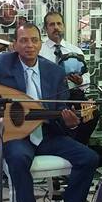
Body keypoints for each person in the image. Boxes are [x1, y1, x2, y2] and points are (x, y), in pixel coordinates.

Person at [0, 23, 98, 202]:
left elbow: (59, 116)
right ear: (14, 45)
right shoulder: (4, 65)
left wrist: (71, 123)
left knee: (89, 158)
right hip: (15, 138)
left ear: (40, 45)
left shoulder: (54, 72)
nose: (29, 45)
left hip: (47, 135)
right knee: (19, 159)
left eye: (34, 40)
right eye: (23, 40)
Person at [39, 11, 97, 144]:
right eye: (52, 24)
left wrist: (81, 81)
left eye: (59, 24)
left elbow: (86, 78)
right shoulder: (39, 51)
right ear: (45, 28)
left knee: (92, 113)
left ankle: (79, 144)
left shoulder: (75, 50)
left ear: (64, 26)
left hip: (74, 97)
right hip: (49, 99)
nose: (56, 27)